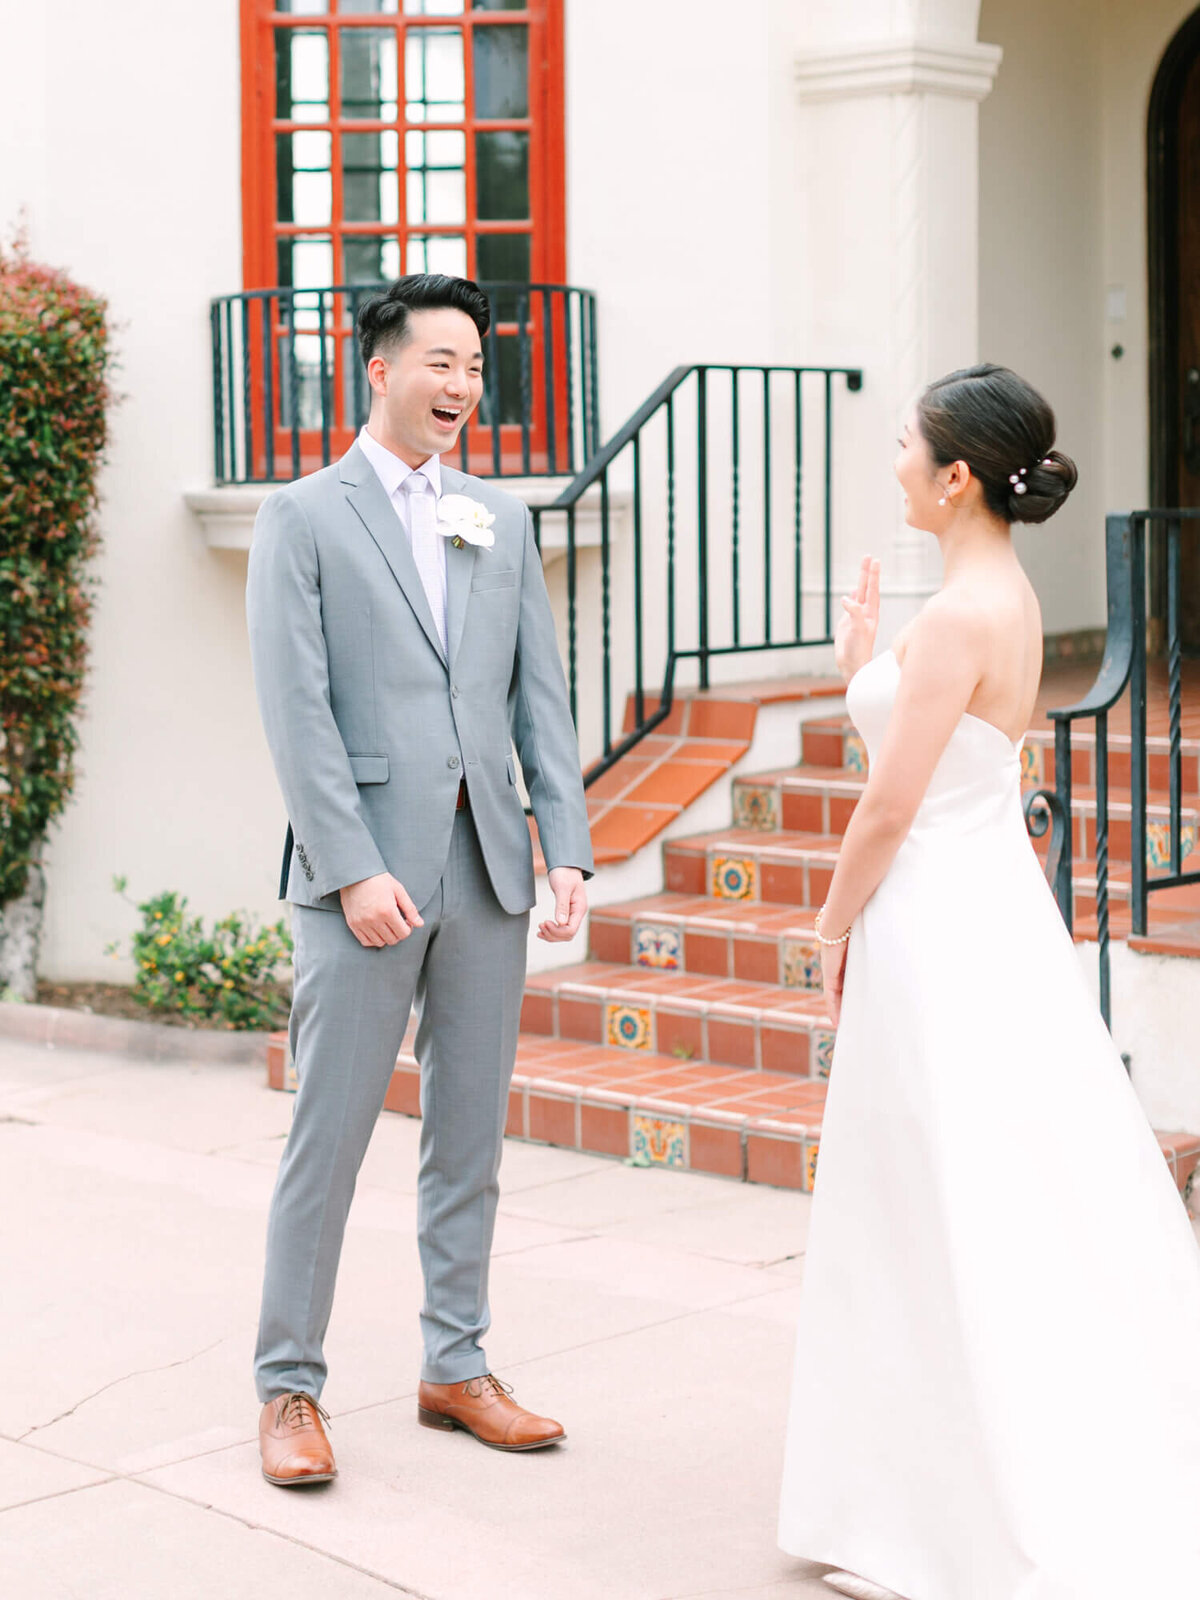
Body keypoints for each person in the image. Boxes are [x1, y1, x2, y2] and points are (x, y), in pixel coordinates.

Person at [777, 365, 1200, 1599]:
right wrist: (860, 660)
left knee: (939, 1199)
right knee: (983, 1186)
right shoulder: (997, 592)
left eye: (907, 446)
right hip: (986, 909)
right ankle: (912, 1483)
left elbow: (894, 804)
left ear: (956, 476)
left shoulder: (963, 612)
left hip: (931, 924)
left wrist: (827, 923)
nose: (896, 462)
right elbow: (943, 753)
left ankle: (952, 1505)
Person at [246, 274, 593, 1487]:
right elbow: (298, 715)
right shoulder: (302, 514)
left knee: (468, 1137)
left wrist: (569, 842)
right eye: (439, 362)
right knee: (328, 1139)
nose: (462, 385)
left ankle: (457, 1363)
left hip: (489, 869)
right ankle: (288, 1387)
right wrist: (351, 872)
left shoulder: (497, 517)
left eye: (474, 366)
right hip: (367, 878)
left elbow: (536, 695)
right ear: (379, 369)